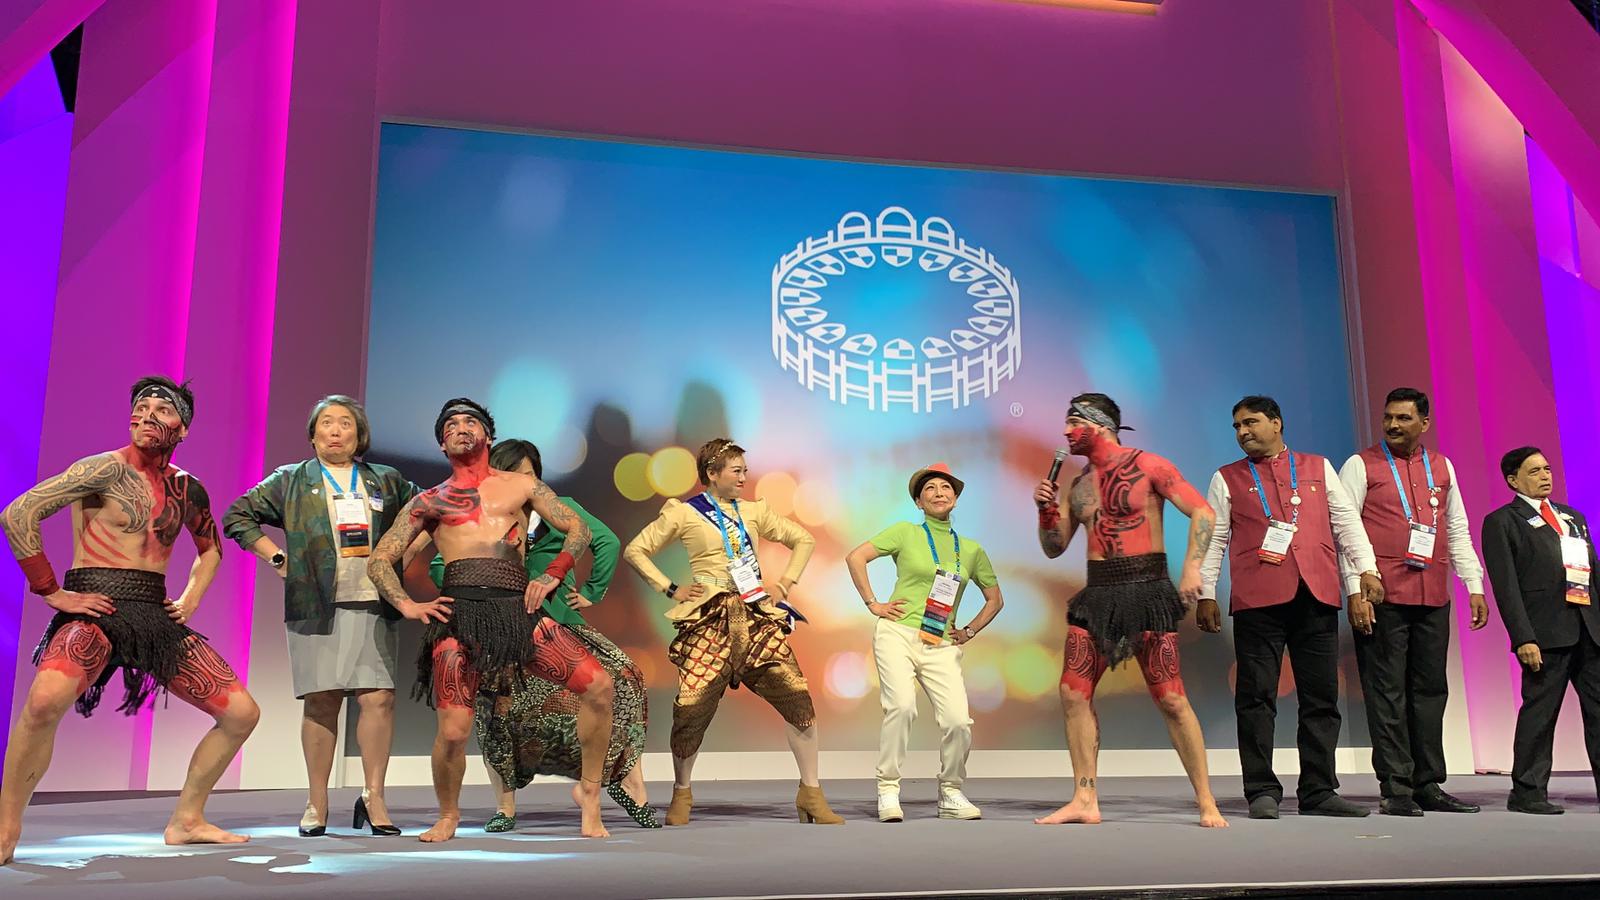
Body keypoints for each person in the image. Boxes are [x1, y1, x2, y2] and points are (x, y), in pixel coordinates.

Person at [0, 376, 261, 864]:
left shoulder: (188, 489)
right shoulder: (103, 469)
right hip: (97, 608)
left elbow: (210, 550)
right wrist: (51, 591)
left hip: (152, 616)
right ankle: (5, 826)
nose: (145, 415)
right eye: (140, 408)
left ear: (182, 428)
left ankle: (187, 820)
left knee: (241, 714)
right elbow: (19, 514)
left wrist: (190, 600)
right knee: (43, 703)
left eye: (161, 409)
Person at [366, 398, 616, 840]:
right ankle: (448, 814)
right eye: (451, 425)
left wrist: (555, 574)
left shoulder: (522, 486)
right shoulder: (430, 500)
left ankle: (591, 794)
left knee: (599, 686)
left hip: (517, 612)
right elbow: (380, 558)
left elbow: (577, 528)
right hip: (459, 616)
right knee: (454, 731)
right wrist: (407, 604)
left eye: (471, 421)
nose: (461, 428)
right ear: (442, 444)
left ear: (488, 435)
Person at [427, 438, 656, 830]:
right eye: (513, 473)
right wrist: (474, 591)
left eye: (530, 475)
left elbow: (605, 540)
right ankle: (505, 807)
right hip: (499, 628)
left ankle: (624, 783)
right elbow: (438, 562)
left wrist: (591, 591)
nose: (523, 482)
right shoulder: (482, 510)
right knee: (496, 709)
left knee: (618, 680)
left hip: (557, 621)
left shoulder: (559, 508)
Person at [224, 394, 419, 836]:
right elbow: (238, 516)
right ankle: (317, 800)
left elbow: (430, 512)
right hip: (315, 603)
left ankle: (374, 797)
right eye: (327, 422)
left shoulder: (385, 480)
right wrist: (277, 559)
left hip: (374, 601)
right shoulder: (291, 479)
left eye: (345, 423)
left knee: (378, 699)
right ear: (313, 435)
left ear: (359, 434)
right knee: (321, 700)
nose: (335, 430)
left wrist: (405, 553)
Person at [622, 438, 843, 825]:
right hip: (709, 618)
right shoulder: (685, 514)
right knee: (690, 708)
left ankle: (811, 793)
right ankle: (682, 793)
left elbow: (803, 539)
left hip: (756, 617)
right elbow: (635, 550)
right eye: (736, 471)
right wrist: (671, 588)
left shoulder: (754, 511)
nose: (743, 477)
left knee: (797, 697)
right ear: (712, 473)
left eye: (745, 470)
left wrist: (785, 583)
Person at [1031, 393, 1227, 828]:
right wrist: (1045, 511)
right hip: (1097, 595)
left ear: (1100, 425)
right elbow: (1054, 547)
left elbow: (1203, 512)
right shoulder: (1078, 485)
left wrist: (1192, 568)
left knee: (1171, 698)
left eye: (1074, 422)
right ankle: (1084, 799)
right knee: (1072, 693)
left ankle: (1206, 801)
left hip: (1146, 590)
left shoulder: (1150, 465)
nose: (1065, 431)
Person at [1198, 395, 1383, 819]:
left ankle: (1319, 790)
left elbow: (1346, 523)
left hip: (1316, 595)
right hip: (1257, 600)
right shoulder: (1226, 478)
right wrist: (1206, 592)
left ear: (1277, 423)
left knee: (1322, 698)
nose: (1243, 432)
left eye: (1251, 422)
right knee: (1256, 698)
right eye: (1237, 426)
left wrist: (1366, 570)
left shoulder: (1319, 467)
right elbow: (1215, 536)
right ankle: (1261, 790)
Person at [1337, 387, 1488, 816]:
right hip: (1382, 595)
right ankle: (1395, 786)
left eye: (1403, 418)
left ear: (1424, 423)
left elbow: (1456, 527)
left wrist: (1473, 584)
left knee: (1430, 690)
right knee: (1387, 692)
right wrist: (1355, 589)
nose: (1392, 425)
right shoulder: (1360, 464)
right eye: (1388, 417)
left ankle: (1428, 783)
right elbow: (1344, 530)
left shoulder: (1442, 466)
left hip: (1433, 594)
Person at [845, 463, 1003, 822]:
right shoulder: (905, 532)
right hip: (898, 633)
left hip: (941, 643)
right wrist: (873, 603)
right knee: (901, 707)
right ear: (918, 502)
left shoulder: (972, 550)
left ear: (956, 499)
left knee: (958, 722)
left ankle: (951, 792)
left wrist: (969, 631)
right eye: (930, 488)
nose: (939, 493)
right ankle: (888, 789)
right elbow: (856, 557)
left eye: (946, 488)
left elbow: (995, 599)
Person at [1482, 446, 1600, 814]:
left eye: (1546, 469)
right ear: (1513, 480)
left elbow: (1594, 574)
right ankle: (1528, 792)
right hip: (1545, 633)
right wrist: (1523, 637)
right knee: (1540, 713)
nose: (1545, 476)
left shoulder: (1572, 517)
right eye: (1534, 471)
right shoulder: (1503, 521)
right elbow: (1506, 586)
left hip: (1589, 629)